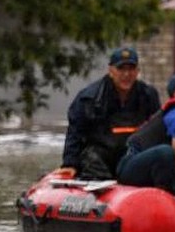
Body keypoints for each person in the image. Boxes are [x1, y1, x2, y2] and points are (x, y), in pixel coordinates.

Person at [55, 46, 161, 181]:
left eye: (131, 69)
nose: (126, 75)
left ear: (137, 71)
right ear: (111, 71)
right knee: (91, 156)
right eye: (121, 69)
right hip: (101, 156)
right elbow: (75, 132)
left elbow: (157, 129)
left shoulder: (148, 95)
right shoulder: (89, 98)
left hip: (131, 155)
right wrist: (70, 163)